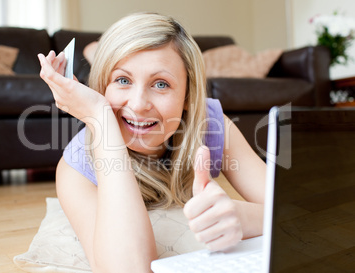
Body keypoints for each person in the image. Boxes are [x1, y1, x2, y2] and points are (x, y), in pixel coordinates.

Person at [38, 12, 266, 273]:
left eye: (160, 84)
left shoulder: (209, 123)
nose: (137, 104)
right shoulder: (76, 167)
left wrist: (246, 218)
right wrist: (100, 118)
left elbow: (298, 208)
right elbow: (129, 269)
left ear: (188, 96)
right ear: (101, 88)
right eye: (122, 80)